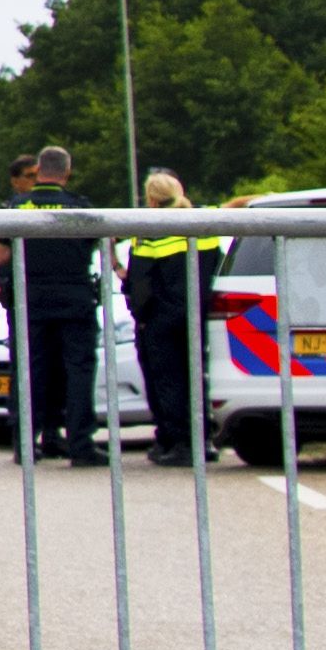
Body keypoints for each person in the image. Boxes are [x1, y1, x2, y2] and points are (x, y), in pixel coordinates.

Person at [12, 146, 108, 467]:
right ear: (67, 173)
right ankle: (80, 444)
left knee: (31, 370)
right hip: (74, 297)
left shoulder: (17, 207)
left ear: (38, 170)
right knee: (78, 370)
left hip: (32, 299)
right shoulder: (79, 208)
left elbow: (0, 254)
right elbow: (95, 244)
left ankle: (26, 444)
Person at [124, 170, 225, 468]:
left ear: (152, 200)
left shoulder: (149, 230)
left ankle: (176, 441)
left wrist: (140, 315)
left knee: (167, 381)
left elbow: (140, 282)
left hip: (160, 318)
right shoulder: (203, 224)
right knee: (196, 376)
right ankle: (202, 441)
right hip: (197, 313)